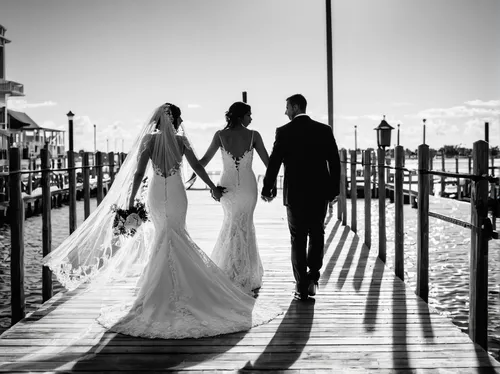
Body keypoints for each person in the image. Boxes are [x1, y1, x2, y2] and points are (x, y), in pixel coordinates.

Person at [43, 103, 281, 339]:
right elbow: (197, 165)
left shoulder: (149, 141)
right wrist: (211, 187)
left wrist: (131, 198)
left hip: (156, 194)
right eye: (180, 119)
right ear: (174, 120)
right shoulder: (181, 142)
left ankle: (157, 291)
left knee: (162, 236)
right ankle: (183, 287)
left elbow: (138, 173)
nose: (181, 122)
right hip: (178, 194)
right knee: (176, 234)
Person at [261, 94, 340, 301]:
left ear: (295, 107)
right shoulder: (324, 130)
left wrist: (267, 188)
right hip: (319, 193)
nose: (285, 111)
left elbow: (274, 162)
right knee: (317, 233)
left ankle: (301, 286)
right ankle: (313, 276)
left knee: (297, 239)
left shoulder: (284, 132)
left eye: (287, 107)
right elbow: (334, 161)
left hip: (294, 195)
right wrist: (334, 191)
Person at [197, 102, 271, 294]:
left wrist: (210, 186)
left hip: (227, 185)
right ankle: (244, 273)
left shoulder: (220, 136)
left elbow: (202, 163)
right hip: (248, 186)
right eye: (249, 114)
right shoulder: (254, 135)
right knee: (244, 224)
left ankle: (229, 272)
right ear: (241, 116)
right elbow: (269, 163)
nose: (251, 118)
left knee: (231, 223)